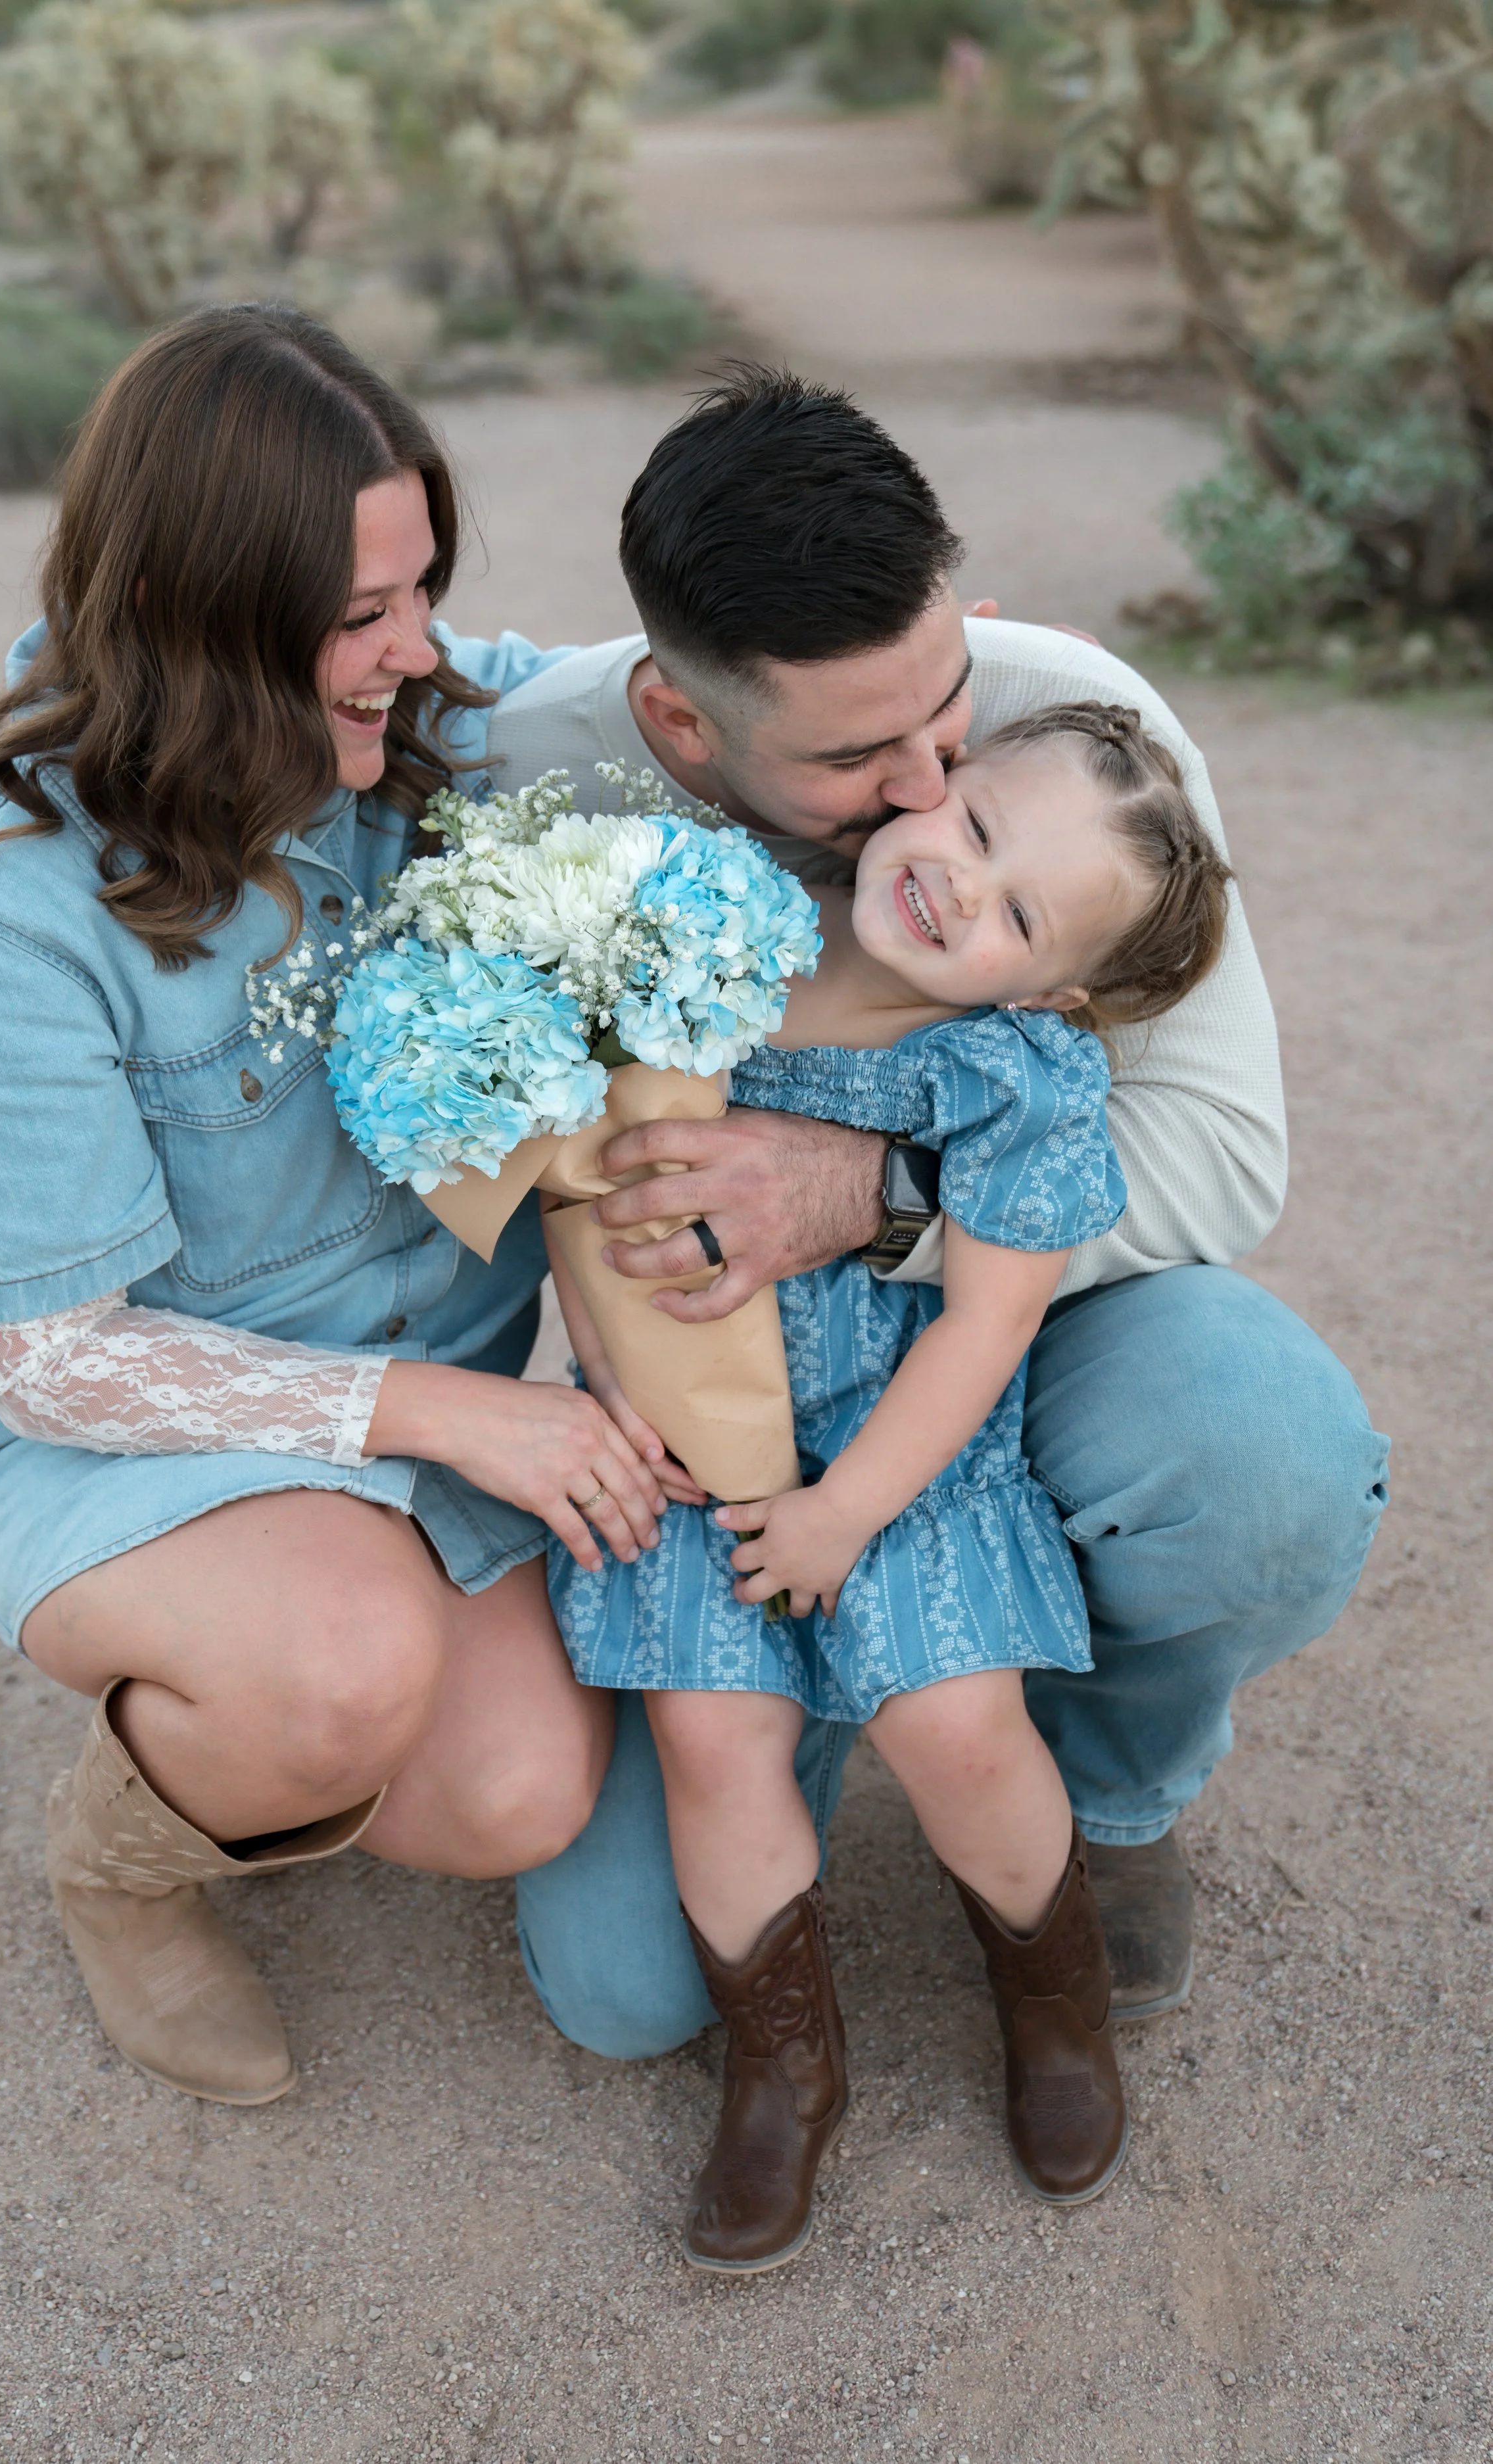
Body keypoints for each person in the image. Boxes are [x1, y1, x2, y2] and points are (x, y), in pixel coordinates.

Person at [490, 366, 1390, 2056]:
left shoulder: (1070, 732)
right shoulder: (548, 781)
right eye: (857, 755)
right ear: (684, 726)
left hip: (993, 1342)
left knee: (1258, 1454)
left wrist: (872, 1191)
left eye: (947, 707)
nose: (927, 786)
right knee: (625, 1997)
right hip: (716, 1417)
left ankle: (1105, 1793)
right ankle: (808, 1746)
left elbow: (1220, 1151)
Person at [0, 305, 669, 2106]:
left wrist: (887, 668)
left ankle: (303, 1665)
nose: (421, 650)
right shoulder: (7, 925)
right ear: (205, 615)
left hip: (404, 1424)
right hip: (108, 1430)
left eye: (424, 590)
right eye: (363, 615)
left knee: (513, 1789)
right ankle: (122, 1865)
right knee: (340, 1669)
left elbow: (633, 694)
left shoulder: (425, 738)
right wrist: (455, 1412)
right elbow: (56, 1364)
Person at [546, 702, 1232, 2265]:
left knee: (953, 1724)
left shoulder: (1011, 1074)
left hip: (899, 1459)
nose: (956, 888)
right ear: (934, 780)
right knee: (712, 1738)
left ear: (1052, 985)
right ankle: (784, 2060)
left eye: (1014, 912)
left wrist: (847, 1508)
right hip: (690, 1446)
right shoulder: (712, 944)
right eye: (974, 831)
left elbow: (985, 1327)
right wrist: (604, 1378)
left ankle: (1052, 2001)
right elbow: (581, 1197)